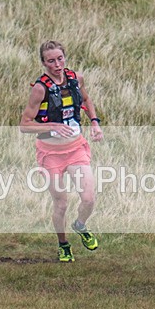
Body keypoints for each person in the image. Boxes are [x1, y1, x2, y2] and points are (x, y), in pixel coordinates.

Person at [20, 40, 104, 262]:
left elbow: (86, 100)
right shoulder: (40, 89)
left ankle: (80, 225)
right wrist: (52, 126)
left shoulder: (76, 78)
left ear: (65, 58)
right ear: (43, 63)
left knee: (89, 198)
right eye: (51, 61)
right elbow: (24, 125)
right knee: (61, 203)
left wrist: (95, 122)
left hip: (76, 148)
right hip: (50, 153)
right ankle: (64, 245)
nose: (57, 64)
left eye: (60, 59)